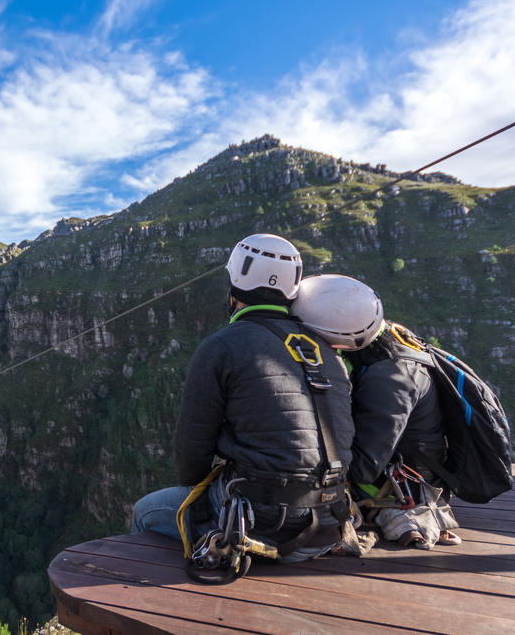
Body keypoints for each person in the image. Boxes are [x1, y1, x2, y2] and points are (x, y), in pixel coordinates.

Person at [131, 233, 356, 570]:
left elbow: (192, 457)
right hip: (329, 523)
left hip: (263, 524)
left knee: (145, 511)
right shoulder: (325, 350)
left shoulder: (222, 346)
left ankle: (161, 593)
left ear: (234, 284)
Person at [291, 274, 460, 549]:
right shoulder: (386, 349)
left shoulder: (389, 378)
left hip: (404, 488)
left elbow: (364, 467)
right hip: (402, 470)